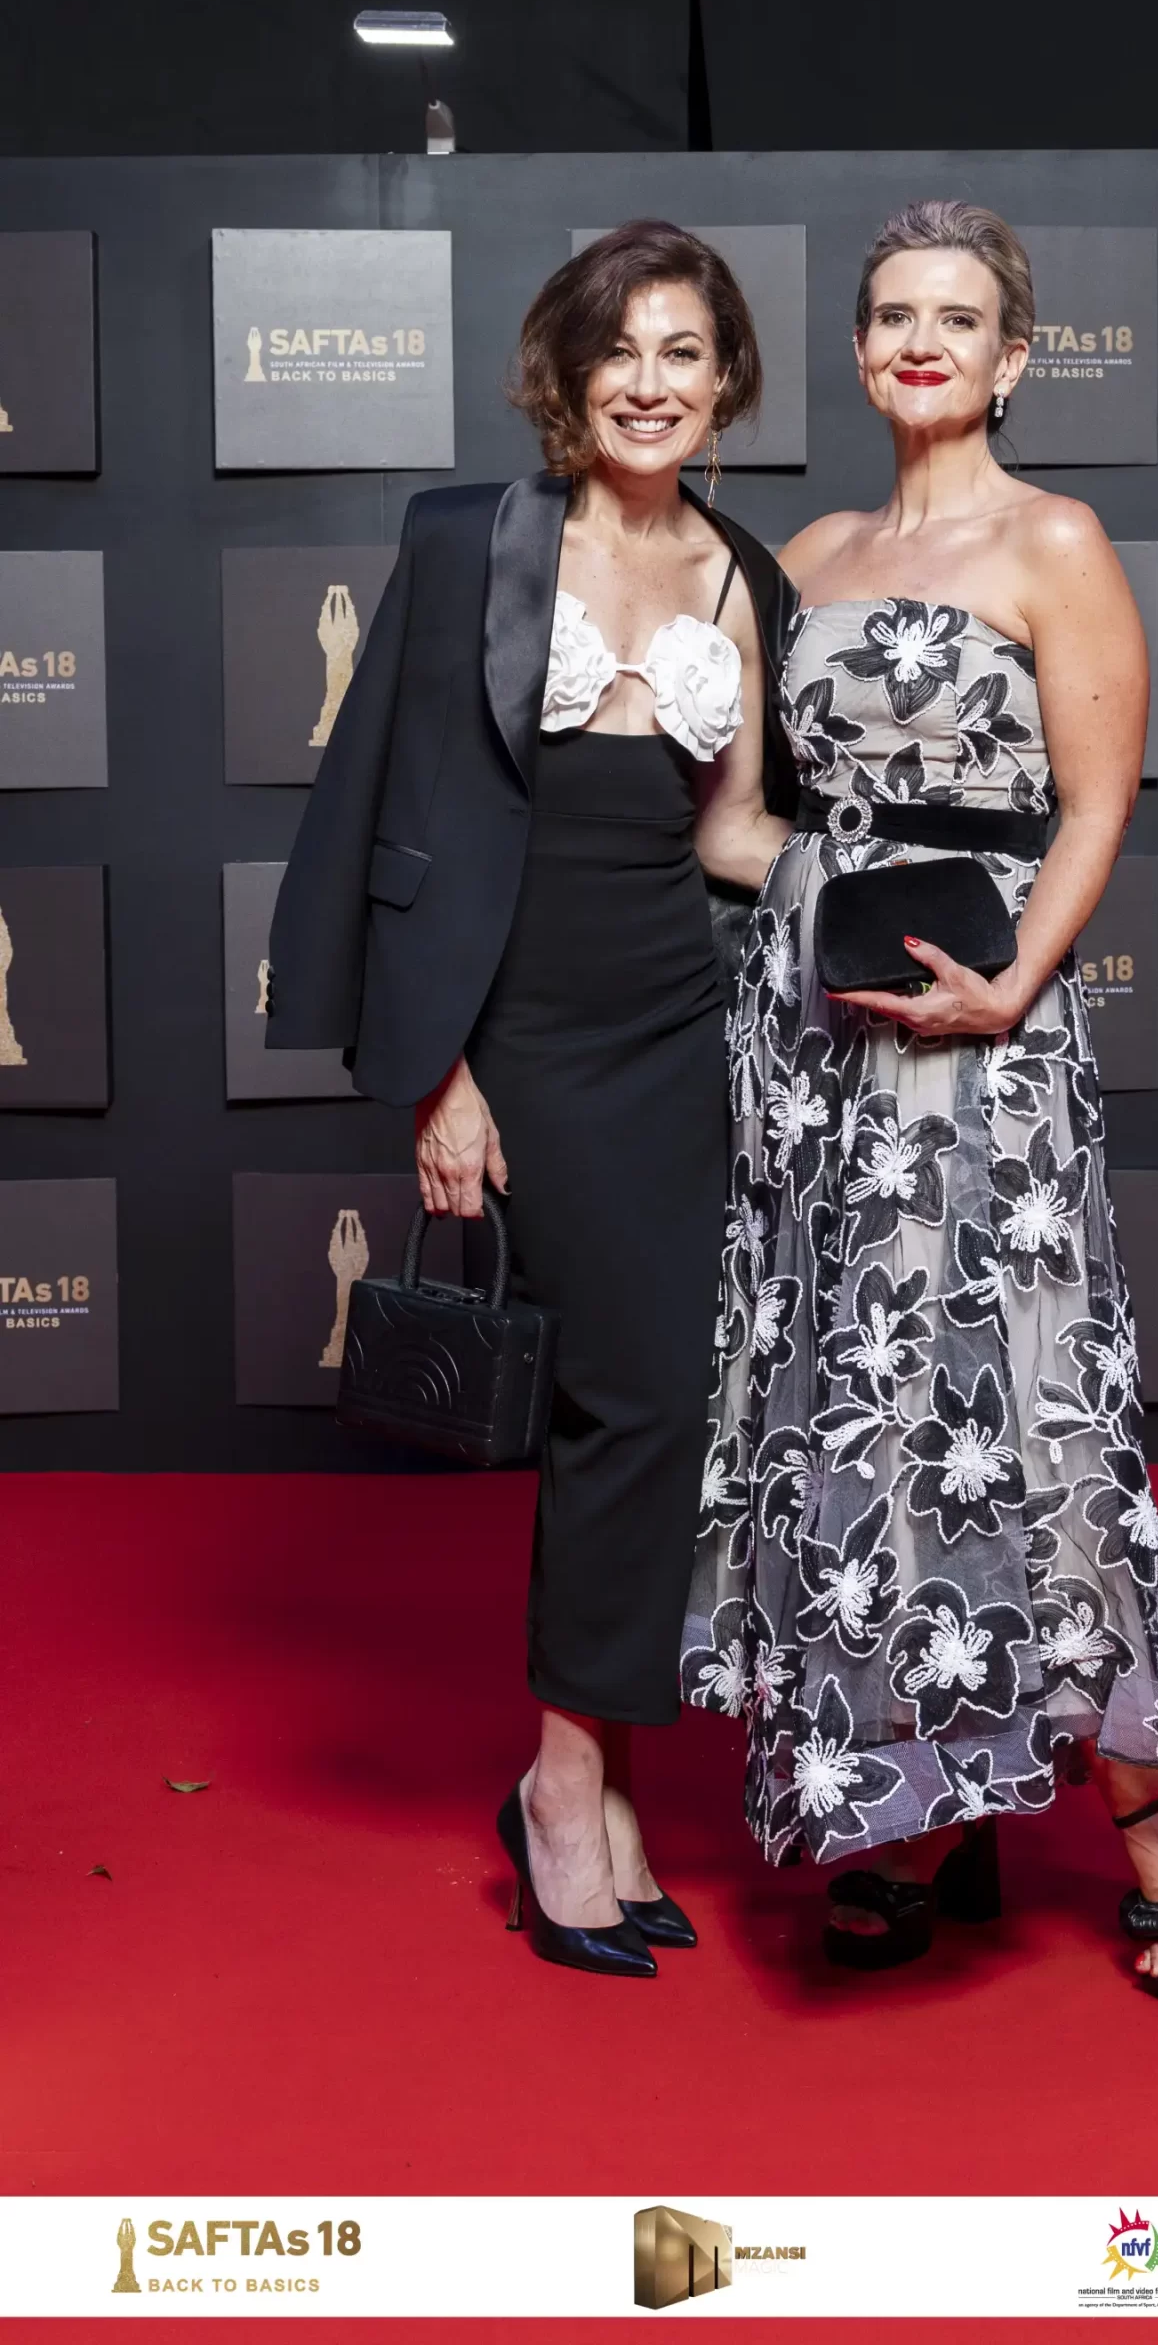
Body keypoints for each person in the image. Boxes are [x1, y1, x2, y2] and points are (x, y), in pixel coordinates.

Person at [682, 200, 1158, 2001]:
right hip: (815, 1049)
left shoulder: (1056, 539)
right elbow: (739, 826)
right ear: (858, 347)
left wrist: (1015, 982)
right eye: (892, 314)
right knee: (855, 1415)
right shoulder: (805, 552)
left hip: (982, 1043)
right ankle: (908, 1811)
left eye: (956, 318)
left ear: (1012, 356)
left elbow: (1096, 803)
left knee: (1017, 1405)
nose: (919, 341)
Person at [267, 221, 794, 1978]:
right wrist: (440, 1076)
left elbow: (735, 829)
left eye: (683, 352)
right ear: (567, 375)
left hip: (679, 1024)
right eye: (618, 350)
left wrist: (910, 870)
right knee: (624, 1399)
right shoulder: (471, 542)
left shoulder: (743, 574)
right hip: (520, 1031)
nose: (650, 383)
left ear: (726, 382)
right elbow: (379, 800)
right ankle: (567, 1796)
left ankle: (598, 1787)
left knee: (651, 1403)